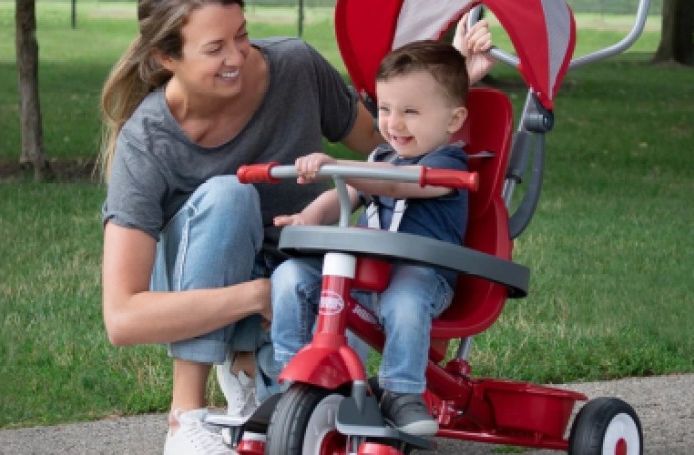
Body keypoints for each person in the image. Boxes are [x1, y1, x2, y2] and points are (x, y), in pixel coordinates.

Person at [98, 0, 493, 452]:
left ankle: (259, 373)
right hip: (221, 288)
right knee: (230, 193)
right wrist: (256, 294)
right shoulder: (147, 140)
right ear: (167, 58)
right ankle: (186, 416)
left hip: (308, 271)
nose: (237, 56)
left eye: (242, 35)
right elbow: (122, 319)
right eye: (215, 48)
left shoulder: (295, 66)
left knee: (312, 420)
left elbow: (390, 145)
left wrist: (453, 81)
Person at [270, 40, 471, 437]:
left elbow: (394, 186)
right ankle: (293, 379)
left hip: (421, 277)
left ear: (453, 120)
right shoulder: (381, 159)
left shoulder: (447, 164)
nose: (394, 123)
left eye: (410, 112)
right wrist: (308, 217)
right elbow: (344, 194)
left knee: (404, 300)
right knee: (290, 275)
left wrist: (338, 166)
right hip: (367, 276)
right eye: (385, 109)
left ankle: (401, 391)